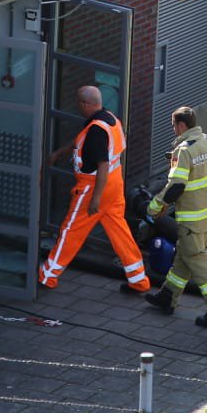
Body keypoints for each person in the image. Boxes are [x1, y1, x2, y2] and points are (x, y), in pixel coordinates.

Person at [38, 85, 150, 292]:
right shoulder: (109, 119)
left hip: (94, 187)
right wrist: (59, 153)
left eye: (79, 103)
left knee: (71, 231)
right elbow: (83, 140)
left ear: (86, 104)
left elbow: (102, 166)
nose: (77, 107)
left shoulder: (97, 130)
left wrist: (96, 200)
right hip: (114, 184)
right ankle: (139, 280)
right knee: (120, 232)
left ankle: (47, 276)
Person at [141, 106, 207, 327]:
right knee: (184, 258)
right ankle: (167, 297)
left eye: (174, 125)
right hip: (205, 218)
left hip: (190, 219)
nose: (174, 130)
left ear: (181, 125)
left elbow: (176, 187)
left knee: (200, 263)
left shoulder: (184, 150)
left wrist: (154, 207)